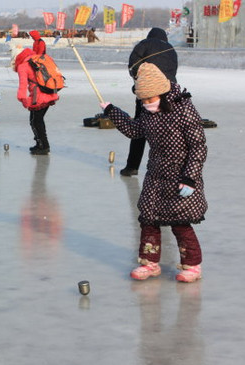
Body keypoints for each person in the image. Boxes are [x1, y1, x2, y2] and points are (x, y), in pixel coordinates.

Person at [100, 63, 207, 283]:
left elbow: (198, 146)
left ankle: (193, 265)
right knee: (149, 220)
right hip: (156, 175)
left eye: (151, 99)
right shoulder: (149, 114)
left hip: (181, 176)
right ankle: (149, 263)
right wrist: (112, 111)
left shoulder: (183, 108)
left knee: (180, 222)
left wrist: (190, 178)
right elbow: (134, 130)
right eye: (143, 100)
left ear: (163, 92)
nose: (147, 104)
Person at [121, 27, 178, 176]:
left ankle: (132, 167)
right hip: (168, 94)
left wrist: (140, 82)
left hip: (148, 94)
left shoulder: (144, 44)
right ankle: (170, 168)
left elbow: (133, 64)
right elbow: (173, 71)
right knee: (167, 131)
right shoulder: (171, 49)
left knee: (139, 128)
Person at [13, 48, 58, 155]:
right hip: (51, 91)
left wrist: (22, 99)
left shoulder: (23, 66)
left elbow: (23, 85)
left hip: (39, 97)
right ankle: (41, 144)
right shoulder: (39, 59)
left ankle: (44, 146)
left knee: (35, 121)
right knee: (37, 120)